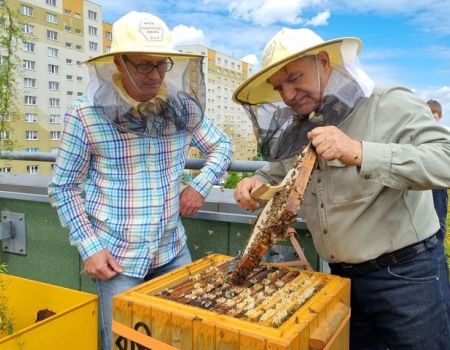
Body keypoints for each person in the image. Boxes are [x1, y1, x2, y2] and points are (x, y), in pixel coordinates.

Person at [233, 27, 450, 349]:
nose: (289, 94)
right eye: (280, 87)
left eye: (294, 78)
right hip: (339, 279)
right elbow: (275, 172)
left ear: (323, 62)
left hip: (407, 275)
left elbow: (444, 159)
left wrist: (361, 152)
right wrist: (254, 183)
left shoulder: (388, 102)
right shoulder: (296, 126)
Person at [48, 11, 233, 350]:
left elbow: (222, 145)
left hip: (173, 251)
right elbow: (63, 186)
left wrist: (199, 185)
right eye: (144, 65)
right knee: (122, 343)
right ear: (119, 63)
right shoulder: (84, 114)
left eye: (162, 64)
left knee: (181, 339)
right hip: (117, 260)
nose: (156, 75)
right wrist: (90, 248)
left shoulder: (182, 107)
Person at [427, 99, 448, 242]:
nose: (431, 122)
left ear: (440, 117)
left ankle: (439, 250)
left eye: (434, 118)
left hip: (438, 185)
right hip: (422, 182)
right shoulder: (418, 135)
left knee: (439, 218)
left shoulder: (445, 135)